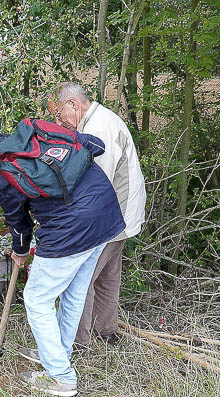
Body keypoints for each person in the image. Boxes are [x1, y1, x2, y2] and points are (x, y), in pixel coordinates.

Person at [0, 126, 125, 397]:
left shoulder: (2, 170)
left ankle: (61, 377)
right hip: (106, 216)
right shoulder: (35, 138)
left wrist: (20, 249)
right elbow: (89, 145)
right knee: (74, 292)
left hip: (71, 229)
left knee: (37, 299)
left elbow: (17, 220)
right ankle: (57, 352)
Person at [48, 82, 147, 346]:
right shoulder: (95, 122)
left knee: (81, 280)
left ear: (73, 104)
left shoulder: (98, 128)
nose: (60, 121)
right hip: (121, 215)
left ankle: (76, 341)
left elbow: (96, 184)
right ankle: (106, 331)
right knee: (107, 276)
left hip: (113, 216)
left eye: (60, 114)